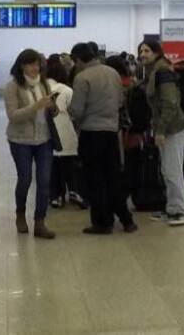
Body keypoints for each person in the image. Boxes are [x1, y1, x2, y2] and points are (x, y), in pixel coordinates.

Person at [68, 43, 136, 235]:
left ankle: (102, 222)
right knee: (113, 176)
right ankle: (126, 219)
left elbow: (77, 110)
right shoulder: (112, 73)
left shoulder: (82, 78)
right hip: (111, 133)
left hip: (91, 133)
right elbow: (121, 101)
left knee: (95, 179)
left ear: (79, 59)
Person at [2, 49, 59, 239]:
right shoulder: (12, 87)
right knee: (25, 179)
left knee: (44, 181)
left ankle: (40, 222)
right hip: (20, 140)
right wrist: (36, 106)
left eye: (38, 64)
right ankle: (20, 214)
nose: (36, 68)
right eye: (32, 64)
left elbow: (52, 111)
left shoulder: (44, 84)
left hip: (44, 139)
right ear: (21, 66)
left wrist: (53, 107)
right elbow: (13, 116)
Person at [138, 40, 184, 226]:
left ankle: (182, 211)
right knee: (167, 169)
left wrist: (160, 130)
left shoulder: (163, 72)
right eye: (141, 51)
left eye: (147, 51)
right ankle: (172, 208)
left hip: (172, 128)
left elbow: (170, 103)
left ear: (156, 52)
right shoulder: (154, 71)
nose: (143, 54)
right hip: (166, 126)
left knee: (173, 170)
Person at [45, 54, 85, 210]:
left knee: (53, 166)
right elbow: (75, 112)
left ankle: (56, 196)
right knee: (69, 164)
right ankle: (74, 190)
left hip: (48, 132)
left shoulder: (41, 89)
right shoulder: (67, 90)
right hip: (66, 131)